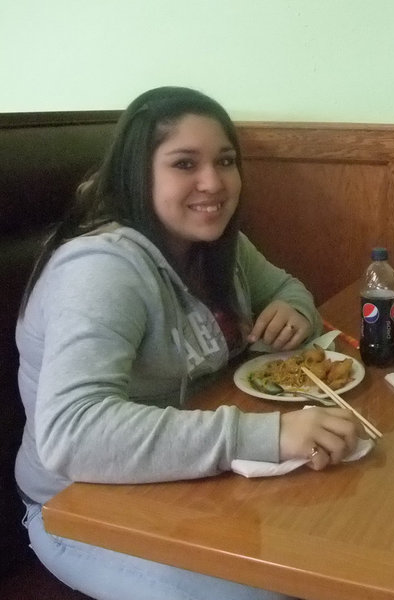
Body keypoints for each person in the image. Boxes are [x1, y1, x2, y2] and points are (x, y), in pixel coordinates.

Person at [15, 86, 361, 600]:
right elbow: (72, 432)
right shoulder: (102, 268)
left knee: (339, 546)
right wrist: (266, 435)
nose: (213, 183)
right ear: (139, 172)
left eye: (225, 160)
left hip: (187, 483)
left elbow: (289, 288)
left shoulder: (216, 241)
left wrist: (294, 309)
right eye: (184, 163)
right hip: (79, 511)